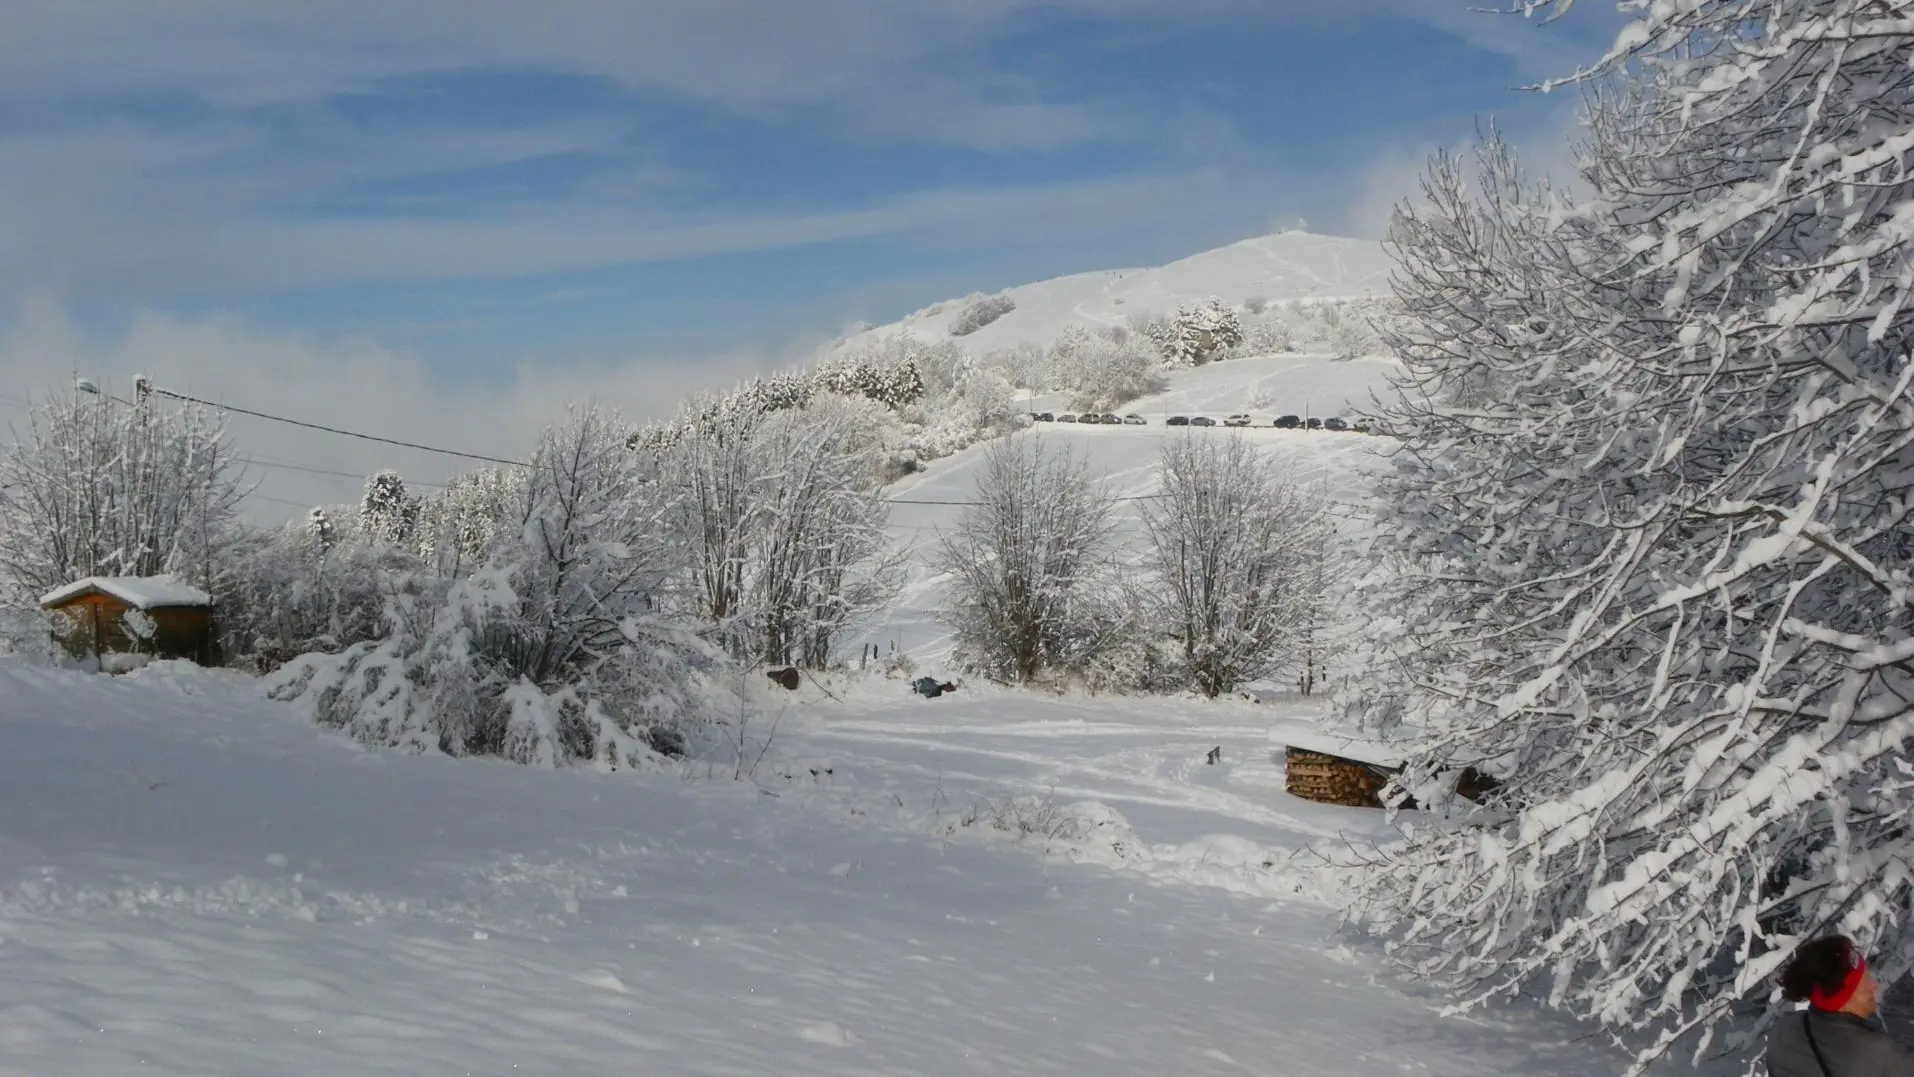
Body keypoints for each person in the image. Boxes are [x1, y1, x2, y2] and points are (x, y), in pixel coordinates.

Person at [1767, 935, 1913, 1077]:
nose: (1873, 986)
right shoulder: (1886, 1059)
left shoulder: (1782, 1031)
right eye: (1863, 986)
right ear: (1841, 1002)